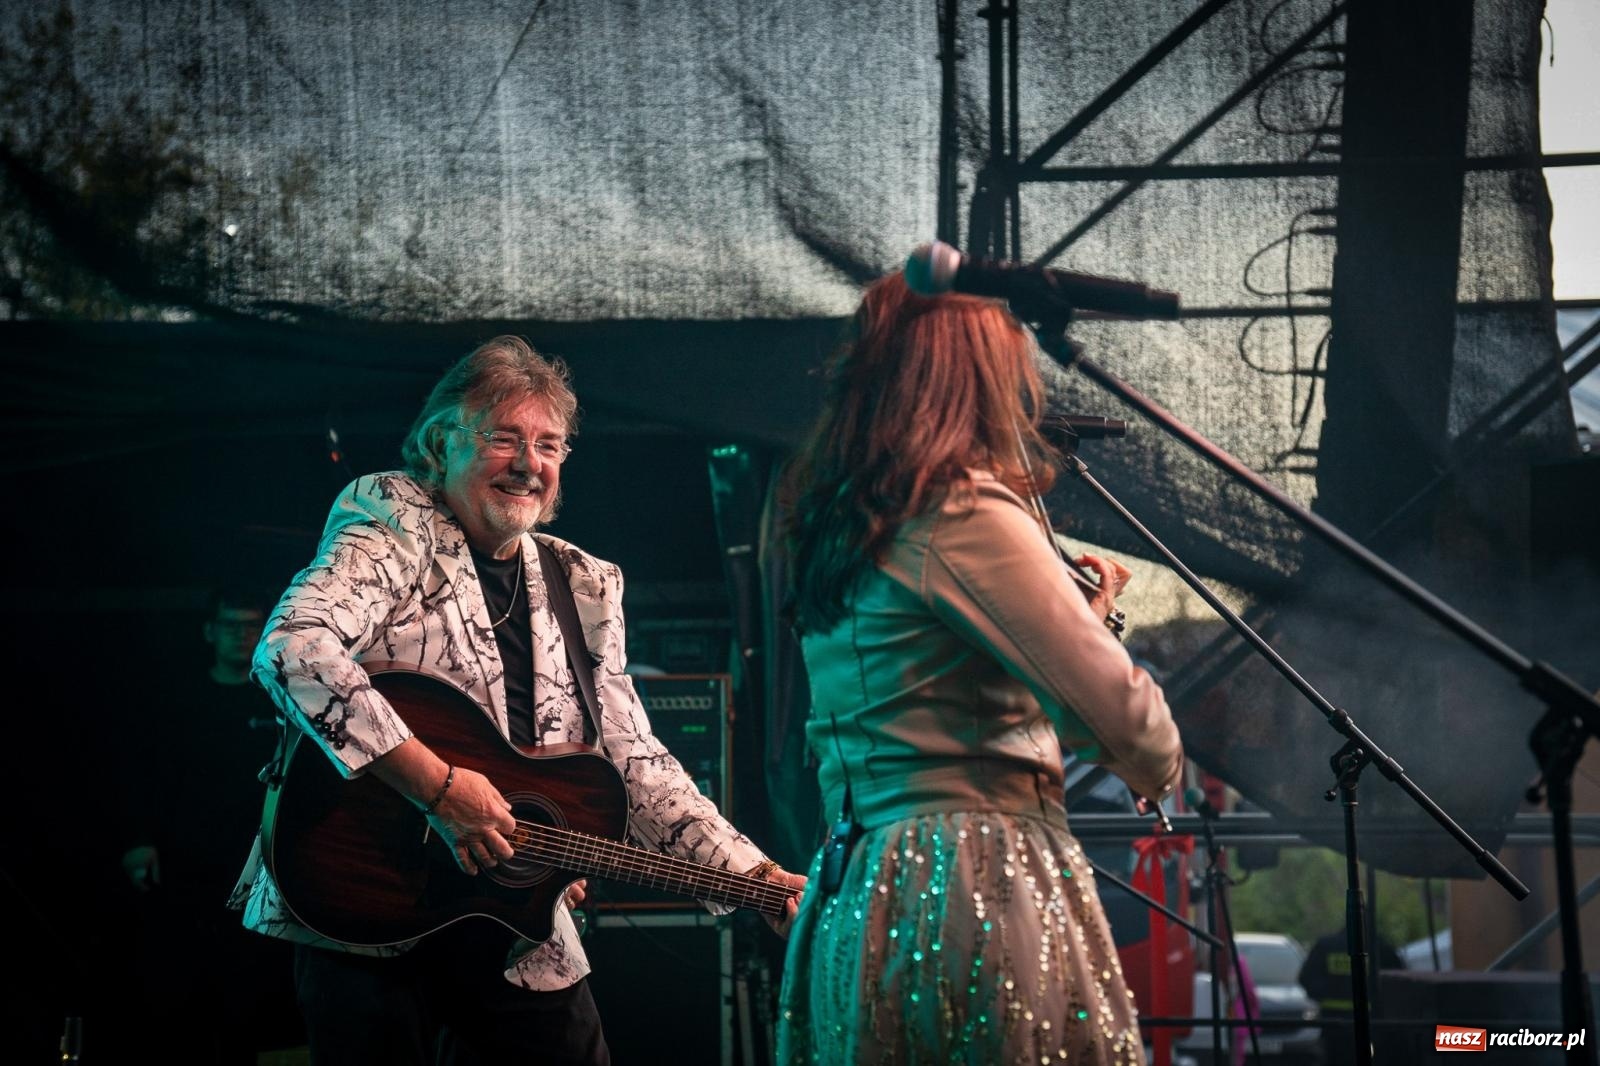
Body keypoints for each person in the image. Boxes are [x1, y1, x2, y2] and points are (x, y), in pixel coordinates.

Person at [235, 335, 805, 1065]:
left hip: (511, 922)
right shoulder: (394, 517)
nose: (529, 463)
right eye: (504, 438)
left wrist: (755, 878)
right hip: (365, 902)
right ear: (441, 444)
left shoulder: (588, 584)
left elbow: (635, 760)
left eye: (549, 444)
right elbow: (293, 647)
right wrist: (439, 789)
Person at [775, 271, 1184, 1064]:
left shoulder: (846, 518)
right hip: (969, 873)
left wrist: (1073, 630)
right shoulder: (962, 507)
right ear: (977, 374)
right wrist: (1140, 738)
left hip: (861, 879)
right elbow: (1132, 726)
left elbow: (924, 688)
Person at [117, 585, 304, 1062]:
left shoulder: (280, 701)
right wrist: (141, 842)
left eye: (249, 627)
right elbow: (149, 775)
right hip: (188, 859)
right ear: (209, 631)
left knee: (251, 984)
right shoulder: (180, 702)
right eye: (229, 626)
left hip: (259, 861)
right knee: (182, 979)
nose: (240, 636)